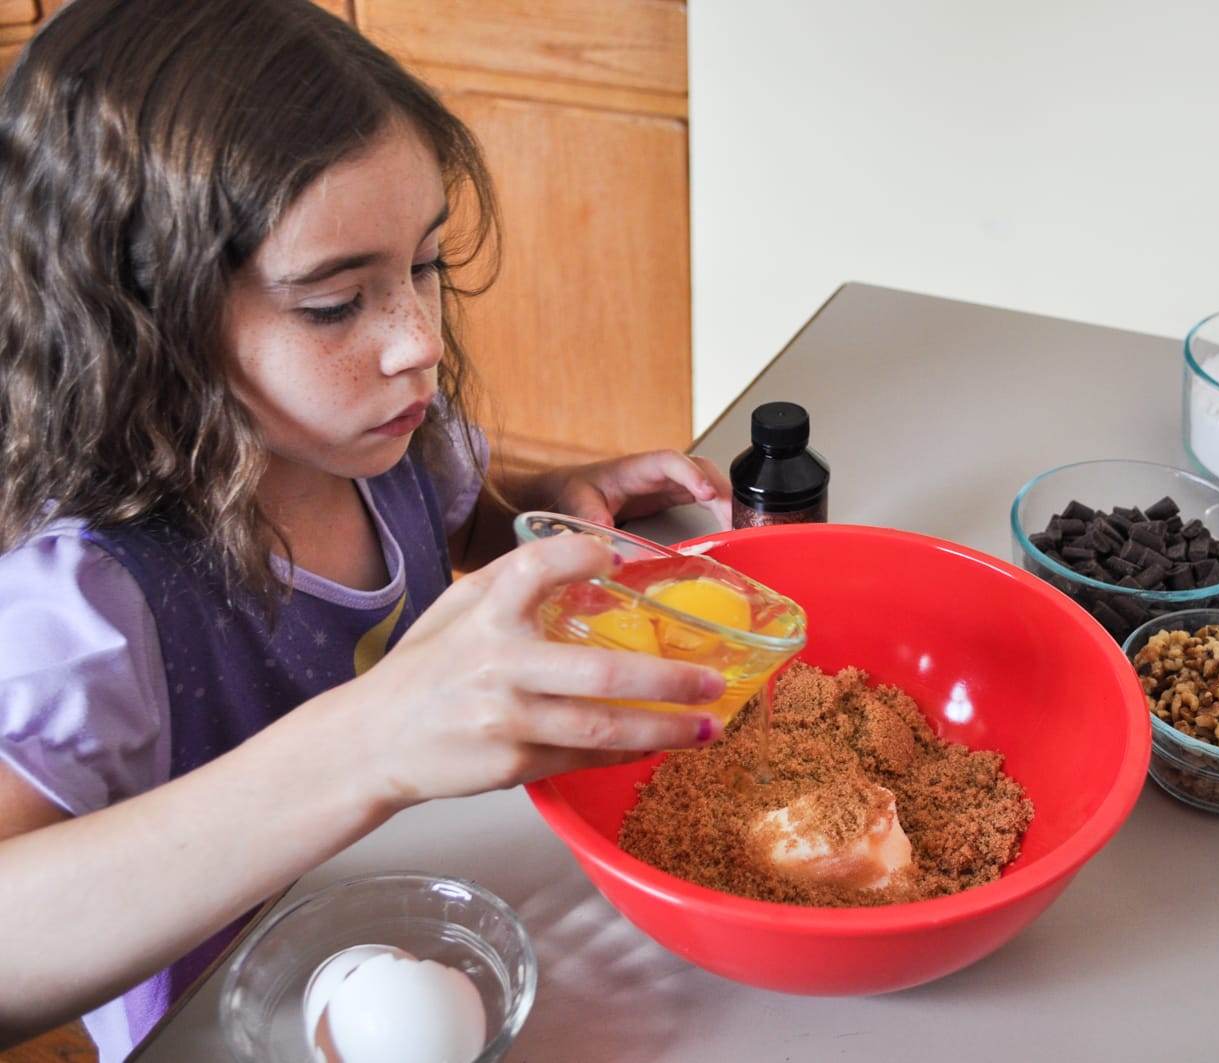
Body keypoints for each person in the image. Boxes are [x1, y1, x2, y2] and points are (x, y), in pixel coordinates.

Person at [0, 1, 730, 1057]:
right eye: (337, 303)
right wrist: (374, 738)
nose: (417, 343)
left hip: (478, 915)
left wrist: (544, 494)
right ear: (139, 321)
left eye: (425, 264)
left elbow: (455, 516)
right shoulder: (85, 610)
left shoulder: (379, 442)